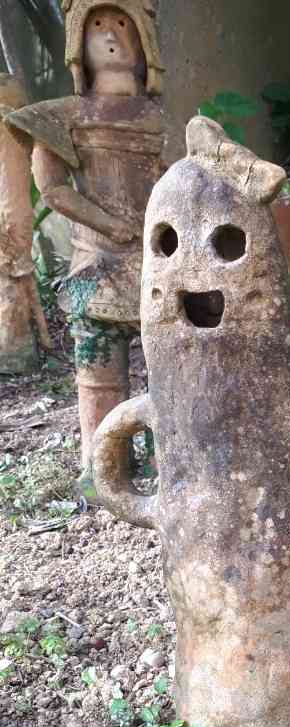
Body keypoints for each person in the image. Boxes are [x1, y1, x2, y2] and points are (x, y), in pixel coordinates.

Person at [5, 0, 165, 498]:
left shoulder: (159, 118)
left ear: (144, 42)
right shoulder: (63, 116)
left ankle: (171, 460)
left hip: (158, 267)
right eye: (98, 25)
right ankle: (102, 469)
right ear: (78, 41)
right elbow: (53, 189)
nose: (111, 35)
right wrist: (108, 224)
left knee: (170, 372)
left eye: (121, 24)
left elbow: (177, 177)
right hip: (94, 268)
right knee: (98, 376)